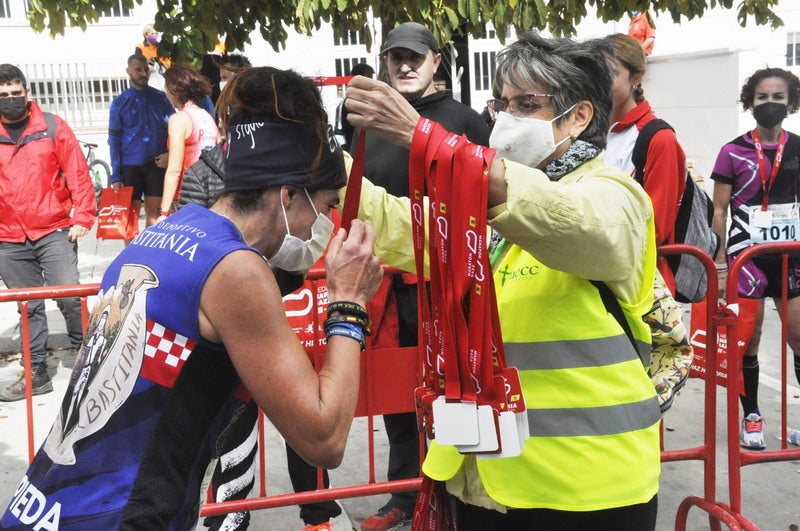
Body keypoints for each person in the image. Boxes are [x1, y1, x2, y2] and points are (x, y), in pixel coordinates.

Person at [0, 66, 383, 530]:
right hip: (116, 515)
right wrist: (348, 302)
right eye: (326, 207)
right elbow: (324, 440)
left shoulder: (165, 232)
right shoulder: (235, 270)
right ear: (287, 195)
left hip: (42, 506)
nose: (324, 225)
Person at [344, 31, 661, 528]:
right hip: (483, 481)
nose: (506, 119)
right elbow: (407, 228)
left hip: (587, 489)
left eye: (526, 105)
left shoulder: (612, 194)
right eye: (502, 104)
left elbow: (568, 223)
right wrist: (322, 166)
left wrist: (427, 140)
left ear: (578, 116)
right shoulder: (490, 199)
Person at [352, 22, 490, 531]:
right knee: (397, 394)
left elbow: (486, 197)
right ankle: (405, 495)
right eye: (396, 58)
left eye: (416, 57)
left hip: (446, 283)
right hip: (385, 284)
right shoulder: (368, 125)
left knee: (453, 389)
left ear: (437, 62)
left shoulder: (466, 122)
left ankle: (457, 495)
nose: (405, 65)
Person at [710, 66, 800, 450]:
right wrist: (719, 264)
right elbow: (719, 211)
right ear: (750, 101)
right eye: (762, 97)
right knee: (750, 339)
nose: (770, 103)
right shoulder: (732, 151)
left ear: (790, 102)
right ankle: (752, 417)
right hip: (746, 259)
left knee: (799, 337)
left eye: (778, 97)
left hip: (791, 258)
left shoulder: (797, 148)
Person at [604, 33, 694, 411]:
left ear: (636, 77)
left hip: (642, 284)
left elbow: (654, 226)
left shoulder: (658, 138)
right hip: (599, 277)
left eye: (609, 72)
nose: (598, 81)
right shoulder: (589, 130)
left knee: (642, 395)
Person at [0, 64, 96, 402]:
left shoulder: (52, 126)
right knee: (28, 307)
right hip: (8, 237)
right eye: (3, 95)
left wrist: (83, 216)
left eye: (16, 93)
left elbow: (78, 172)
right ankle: (36, 373)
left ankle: (89, 364)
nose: (10, 99)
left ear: (27, 93)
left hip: (54, 229)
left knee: (69, 295)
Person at [108, 54, 175, 229]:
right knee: (129, 220)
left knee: (155, 218)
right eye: (138, 70)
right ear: (128, 71)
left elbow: (176, 129)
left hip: (156, 165)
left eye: (146, 69)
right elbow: (113, 140)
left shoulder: (161, 99)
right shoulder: (119, 103)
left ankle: (150, 248)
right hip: (129, 167)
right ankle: (132, 249)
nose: (143, 73)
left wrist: (170, 154)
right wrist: (116, 175)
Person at [158, 64, 219, 221]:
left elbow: (174, 170)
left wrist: (164, 212)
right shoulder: (207, 116)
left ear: (175, 90)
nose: (166, 94)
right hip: (213, 191)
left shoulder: (179, 119)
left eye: (166, 88)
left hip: (189, 193)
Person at [334, 62, 374, 151]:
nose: (371, 82)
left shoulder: (370, 101)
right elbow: (339, 131)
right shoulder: (347, 103)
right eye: (368, 78)